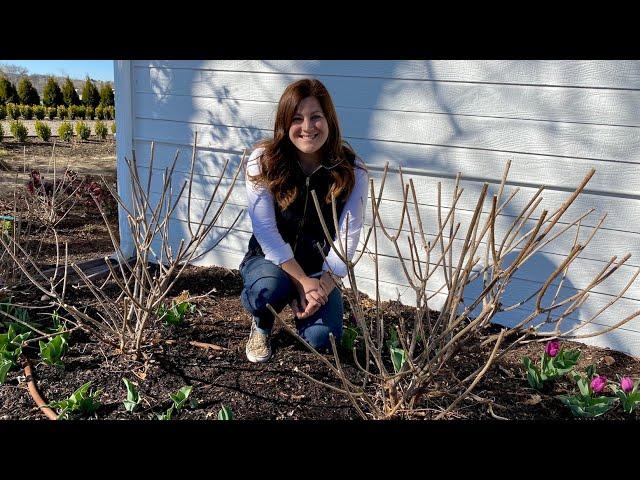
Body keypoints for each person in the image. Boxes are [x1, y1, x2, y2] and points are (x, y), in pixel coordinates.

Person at [239, 78, 369, 363]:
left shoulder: (352, 170)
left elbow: (348, 236)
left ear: (329, 120)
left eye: (316, 117)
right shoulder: (263, 160)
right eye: (297, 119)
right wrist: (300, 282)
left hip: (318, 267)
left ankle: (307, 308)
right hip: (269, 260)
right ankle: (262, 324)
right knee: (267, 291)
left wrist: (321, 285)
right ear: (285, 124)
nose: (307, 127)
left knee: (323, 340)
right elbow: (265, 230)